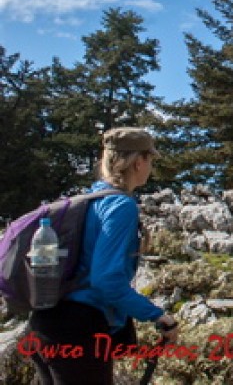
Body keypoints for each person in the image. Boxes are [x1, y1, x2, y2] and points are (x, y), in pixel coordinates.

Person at [28, 127, 180, 384]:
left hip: (43, 323)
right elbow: (106, 280)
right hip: (78, 329)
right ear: (138, 161)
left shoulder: (87, 201)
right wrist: (156, 315)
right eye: (150, 159)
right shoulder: (121, 206)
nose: (151, 166)